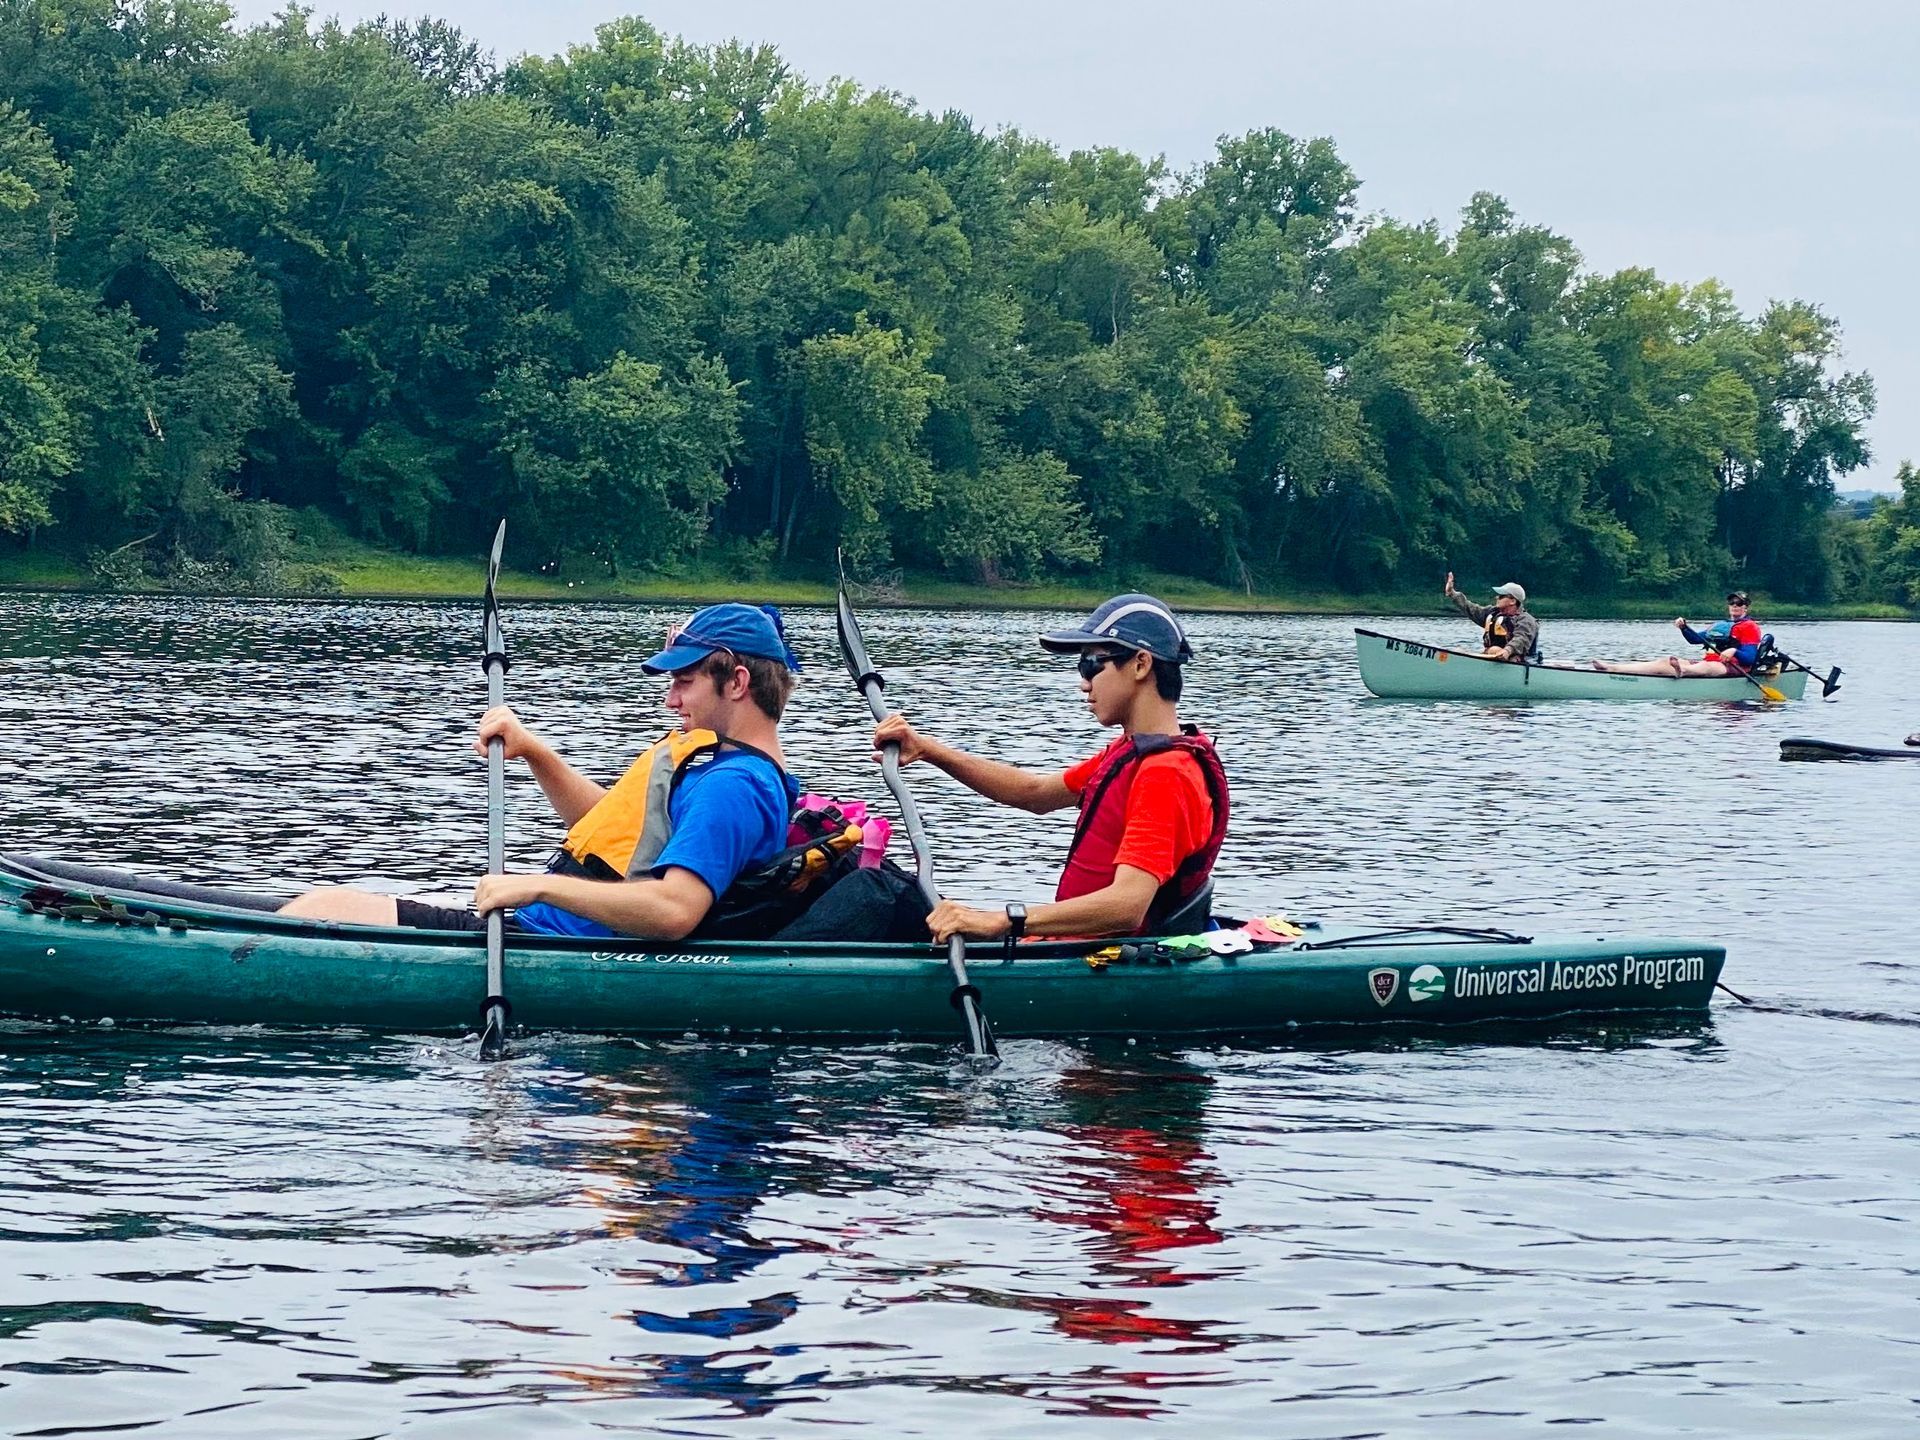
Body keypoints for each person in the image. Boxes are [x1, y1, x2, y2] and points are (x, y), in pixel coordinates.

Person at [277, 603, 803, 938]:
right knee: (312, 905)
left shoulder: (734, 786)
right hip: (545, 927)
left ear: (736, 683)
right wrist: (535, 752)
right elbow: (617, 836)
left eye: (684, 682)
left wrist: (538, 888)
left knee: (324, 906)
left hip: (551, 941)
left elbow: (674, 911)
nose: (670, 700)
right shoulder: (731, 769)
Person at [869, 593, 1228, 943]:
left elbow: (1127, 905)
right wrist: (927, 749)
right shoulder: (1133, 753)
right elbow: (1034, 793)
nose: (1083, 683)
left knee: (872, 892)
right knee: (881, 881)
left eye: (1091, 664)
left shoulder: (1167, 773)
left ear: (1140, 664)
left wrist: (1003, 920)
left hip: (1089, 960)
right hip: (1058, 944)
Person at [1591, 592, 1763, 677]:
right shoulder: (1721, 625)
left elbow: (1749, 658)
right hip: (1709, 662)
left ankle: (1683, 671)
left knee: (1706, 667)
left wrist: (1733, 651)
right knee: (1664, 661)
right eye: (1732, 603)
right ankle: (1613, 668)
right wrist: (1684, 628)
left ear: (1745, 607)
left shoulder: (1750, 627)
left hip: (1733, 668)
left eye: (1739, 603)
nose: (1734, 606)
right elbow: (1695, 639)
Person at [1443, 572, 1538, 662]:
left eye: (1501, 596)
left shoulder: (1526, 620)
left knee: (1494, 650)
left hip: (1517, 661)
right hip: (1493, 656)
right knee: (1459, 651)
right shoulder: (1492, 613)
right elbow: (1471, 609)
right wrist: (1452, 593)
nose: (1497, 598)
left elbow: (1521, 639)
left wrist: (1507, 651)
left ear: (1512, 601)